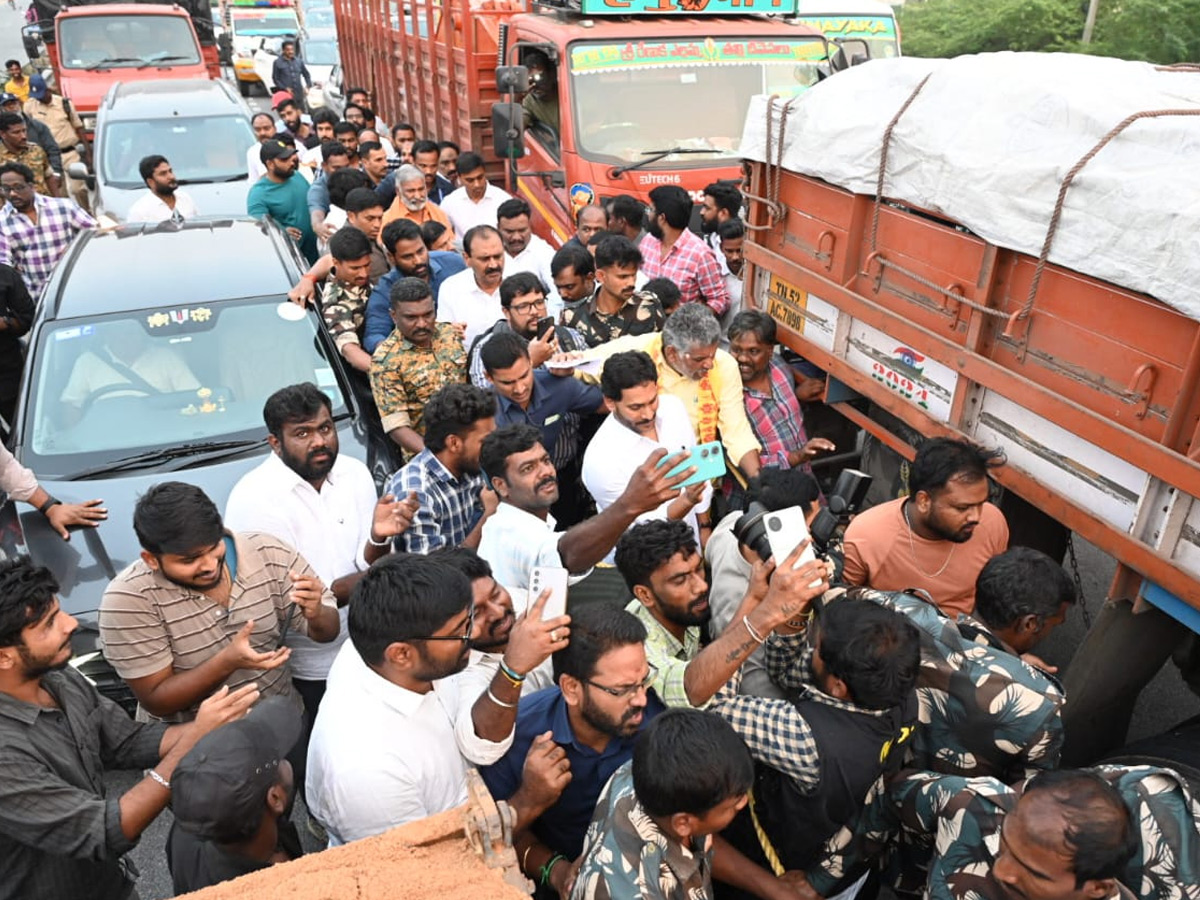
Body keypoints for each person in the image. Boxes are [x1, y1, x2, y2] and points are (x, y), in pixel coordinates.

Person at [0, 557, 260, 900]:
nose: (70, 625)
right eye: (49, 625)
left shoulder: (58, 678)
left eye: (60, 611)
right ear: (4, 657)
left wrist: (212, 723)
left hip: (109, 884)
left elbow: (125, 741)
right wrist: (190, 744)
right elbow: (102, 831)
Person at [223, 383, 416, 790]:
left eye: (326, 428)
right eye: (303, 433)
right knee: (325, 762)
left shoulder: (355, 473)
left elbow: (365, 562)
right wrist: (367, 581)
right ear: (275, 442)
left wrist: (380, 541)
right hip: (310, 666)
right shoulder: (253, 500)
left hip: (370, 643)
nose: (320, 442)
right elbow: (283, 604)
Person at [305, 554, 519, 844]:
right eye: (461, 630)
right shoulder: (368, 774)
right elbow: (424, 867)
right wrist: (528, 802)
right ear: (401, 654)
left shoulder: (384, 645)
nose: (477, 632)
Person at [712, 598, 921, 896]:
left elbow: (711, 706)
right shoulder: (899, 690)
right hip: (850, 869)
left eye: (817, 649)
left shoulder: (802, 737)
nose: (812, 652)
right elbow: (786, 671)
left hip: (787, 870)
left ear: (838, 687)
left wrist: (748, 618)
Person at [98, 481, 341, 725]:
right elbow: (157, 700)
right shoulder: (128, 599)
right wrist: (227, 662)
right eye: (189, 560)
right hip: (197, 751)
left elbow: (327, 632)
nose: (210, 565)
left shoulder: (268, 551)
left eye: (214, 547)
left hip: (284, 725)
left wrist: (316, 612)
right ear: (151, 560)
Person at [479, 605, 667, 894]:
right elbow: (489, 843)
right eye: (622, 689)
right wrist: (556, 870)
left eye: (644, 681)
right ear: (571, 688)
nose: (641, 699)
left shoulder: (659, 717)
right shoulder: (519, 735)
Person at [859, 546, 1075, 780]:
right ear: (1030, 624)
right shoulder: (1040, 704)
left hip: (858, 773)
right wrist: (1019, 670)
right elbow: (1028, 796)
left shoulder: (897, 612)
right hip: (933, 811)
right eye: (1056, 623)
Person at [813, 768, 1152, 900]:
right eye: (1005, 842)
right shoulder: (971, 807)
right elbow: (894, 792)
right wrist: (823, 878)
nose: (1001, 870)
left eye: (1032, 872)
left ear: (1097, 888)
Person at [615, 517, 828, 710]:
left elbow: (718, 654)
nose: (700, 586)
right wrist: (769, 611)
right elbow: (691, 689)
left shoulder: (679, 611)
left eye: (699, 569)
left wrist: (753, 597)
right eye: (680, 580)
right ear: (645, 595)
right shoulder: (635, 645)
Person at [476, 423, 692, 594]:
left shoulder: (518, 520)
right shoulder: (512, 532)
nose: (545, 472)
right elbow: (566, 556)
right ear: (500, 485)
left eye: (545, 460)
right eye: (528, 468)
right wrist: (629, 504)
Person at [571, 709, 754, 900]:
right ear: (683, 823)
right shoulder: (635, 892)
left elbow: (700, 843)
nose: (744, 802)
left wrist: (773, 888)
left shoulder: (649, 772)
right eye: (734, 804)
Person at [575, 303, 764, 480]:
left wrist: (758, 481)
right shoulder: (634, 351)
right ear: (673, 353)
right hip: (641, 474)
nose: (709, 364)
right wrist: (565, 364)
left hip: (698, 473)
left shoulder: (723, 365)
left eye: (712, 355)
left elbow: (736, 431)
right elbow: (579, 365)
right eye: (699, 359)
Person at [842, 437, 1009, 616]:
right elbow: (843, 607)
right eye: (962, 508)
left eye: (981, 503)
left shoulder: (992, 522)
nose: (976, 516)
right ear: (924, 501)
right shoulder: (866, 536)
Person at [582, 350, 712, 563]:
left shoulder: (673, 409)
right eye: (636, 407)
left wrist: (704, 526)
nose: (648, 414)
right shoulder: (600, 462)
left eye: (652, 401)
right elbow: (643, 530)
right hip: (644, 562)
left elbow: (697, 472)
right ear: (610, 402)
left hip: (691, 543)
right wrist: (687, 500)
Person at [167, 697, 305, 894]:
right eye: (276, 756)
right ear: (275, 798)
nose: (284, 758)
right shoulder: (284, 889)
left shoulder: (190, 825)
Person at [706, 467, 822, 700]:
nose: (814, 536)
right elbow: (752, 681)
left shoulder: (733, 522)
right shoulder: (739, 602)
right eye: (810, 528)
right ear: (778, 529)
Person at [482, 331, 602, 528]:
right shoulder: (484, 414)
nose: (520, 389)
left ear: (532, 363)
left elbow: (608, 402)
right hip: (510, 504)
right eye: (508, 382)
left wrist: (578, 370)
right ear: (489, 377)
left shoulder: (559, 386)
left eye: (524, 376)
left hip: (558, 490)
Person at [727, 309, 832, 490]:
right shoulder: (727, 397)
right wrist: (797, 456)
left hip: (804, 477)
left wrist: (796, 395)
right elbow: (740, 462)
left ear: (769, 351)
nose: (743, 358)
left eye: (753, 351)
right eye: (736, 350)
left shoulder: (779, 367)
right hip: (766, 493)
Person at [388, 382, 497, 553]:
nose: (493, 446)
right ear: (454, 443)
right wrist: (488, 516)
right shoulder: (416, 492)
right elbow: (434, 575)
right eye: (485, 440)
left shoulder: (470, 466)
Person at [439, 547, 558, 695]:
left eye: (495, 595)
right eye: (477, 613)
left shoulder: (528, 601)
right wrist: (512, 670)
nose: (498, 612)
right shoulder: (464, 681)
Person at [370, 276, 467, 457]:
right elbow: (397, 427)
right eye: (411, 317)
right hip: (429, 458)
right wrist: (438, 457)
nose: (422, 324)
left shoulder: (449, 334)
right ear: (393, 316)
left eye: (428, 314)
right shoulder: (385, 362)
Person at [362, 218, 467, 353]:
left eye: (420, 251)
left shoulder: (453, 264)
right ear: (391, 257)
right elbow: (374, 336)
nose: (418, 261)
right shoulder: (385, 291)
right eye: (407, 257)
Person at [469, 270, 588, 387]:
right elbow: (486, 400)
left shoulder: (569, 337)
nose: (534, 311)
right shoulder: (486, 349)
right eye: (523, 306)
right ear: (506, 312)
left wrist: (574, 370)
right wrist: (530, 362)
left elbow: (596, 380)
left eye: (539, 302)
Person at [0, 161, 94, 294]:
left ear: (32, 187)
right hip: (36, 296)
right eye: (6, 189)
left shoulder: (64, 207)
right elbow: (3, 263)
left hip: (76, 287)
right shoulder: (2, 222)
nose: (13, 194)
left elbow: (94, 234)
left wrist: (75, 249)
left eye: (18, 187)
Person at [561, 235, 664, 348]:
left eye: (633, 275)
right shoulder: (572, 317)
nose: (631, 283)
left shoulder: (649, 304)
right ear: (600, 276)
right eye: (623, 277)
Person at [640, 185, 729, 316]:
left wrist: (690, 319)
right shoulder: (647, 242)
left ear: (662, 218)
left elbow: (720, 300)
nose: (648, 215)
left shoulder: (700, 254)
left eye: (651, 210)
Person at [247, 139, 318, 263]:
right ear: (270, 164)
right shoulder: (258, 194)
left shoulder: (297, 176)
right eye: (284, 160)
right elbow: (260, 228)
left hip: (317, 256)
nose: (291, 162)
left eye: (290, 157)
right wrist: (281, 232)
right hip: (292, 264)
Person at [437, 223, 507, 348]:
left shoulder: (519, 281)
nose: (493, 265)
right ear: (466, 259)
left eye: (498, 256)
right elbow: (442, 335)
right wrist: (450, 333)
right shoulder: (451, 288)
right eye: (485, 259)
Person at [321, 225, 379, 372]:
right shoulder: (336, 303)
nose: (363, 273)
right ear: (336, 262)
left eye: (367, 265)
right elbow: (350, 350)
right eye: (355, 268)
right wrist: (385, 373)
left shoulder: (359, 280)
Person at [23, 75, 87, 208]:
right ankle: (67, 217)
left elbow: (79, 127)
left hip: (69, 153)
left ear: (47, 90)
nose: (40, 98)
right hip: (49, 157)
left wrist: (88, 154)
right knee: (59, 193)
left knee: (78, 189)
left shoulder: (64, 104)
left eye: (41, 94)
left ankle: (87, 213)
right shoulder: (30, 106)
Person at [497, 197, 558, 314]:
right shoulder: (490, 251)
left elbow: (557, 293)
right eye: (509, 232)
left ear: (530, 226)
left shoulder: (544, 252)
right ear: (498, 228)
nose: (516, 237)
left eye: (522, 231)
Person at [439, 151, 513, 241]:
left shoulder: (503, 199)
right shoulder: (450, 203)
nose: (477, 184)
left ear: (485, 173)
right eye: (470, 180)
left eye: (480, 177)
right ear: (459, 177)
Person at [0, 261, 32, 423]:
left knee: (19, 426)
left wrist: (5, 323)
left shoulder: (6, 275)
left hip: (9, 376)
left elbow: (27, 319)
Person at [126, 154, 198, 223]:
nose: (171, 176)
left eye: (170, 171)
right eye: (163, 174)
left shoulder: (185, 198)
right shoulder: (140, 211)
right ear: (150, 182)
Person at [0, 112, 56, 196]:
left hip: (42, 203)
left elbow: (49, 176)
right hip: (13, 205)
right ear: (3, 134)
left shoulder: (36, 150)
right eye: (16, 132)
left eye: (24, 131)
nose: (23, 136)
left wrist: (57, 199)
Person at [382, 162, 452, 229]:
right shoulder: (388, 220)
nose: (418, 196)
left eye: (421, 189)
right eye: (411, 191)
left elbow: (449, 239)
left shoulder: (438, 213)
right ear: (398, 191)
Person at [521, 50, 559, 137]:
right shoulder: (530, 101)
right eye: (530, 80)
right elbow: (516, 128)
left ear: (552, 74)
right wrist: (517, 99)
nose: (535, 85)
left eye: (540, 77)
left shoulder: (567, 94)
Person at [700, 181, 742, 253]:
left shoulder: (743, 243)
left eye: (707, 208)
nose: (701, 212)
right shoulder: (712, 239)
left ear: (723, 213)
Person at [551, 243, 596, 308]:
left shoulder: (609, 298)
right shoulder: (552, 303)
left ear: (589, 278)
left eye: (569, 287)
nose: (563, 294)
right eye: (558, 287)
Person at [272, 39, 311, 111]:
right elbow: (275, 79)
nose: (291, 52)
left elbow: (306, 75)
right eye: (288, 50)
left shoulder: (299, 61)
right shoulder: (277, 62)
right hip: (286, 94)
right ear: (283, 50)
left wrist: (307, 86)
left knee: (301, 112)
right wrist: (285, 88)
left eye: (292, 49)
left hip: (299, 94)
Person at [412, 138, 453, 204]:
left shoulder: (448, 190)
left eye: (433, 166)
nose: (429, 171)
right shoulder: (398, 187)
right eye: (423, 166)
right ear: (413, 163)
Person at [718, 217, 745, 312]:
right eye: (729, 251)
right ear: (721, 248)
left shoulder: (758, 274)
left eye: (739, 251)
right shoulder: (716, 275)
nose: (735, 257)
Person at [246, 112, 277, 182]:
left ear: (275, 128)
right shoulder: (252, 152)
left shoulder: (291, 146)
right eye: (258, 129)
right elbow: (254, 182)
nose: (262, 133)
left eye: (266, 128)